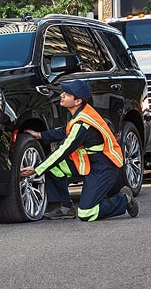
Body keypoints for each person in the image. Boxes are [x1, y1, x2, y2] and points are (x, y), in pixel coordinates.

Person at [20, 79, 139, 221]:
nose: (62, 95)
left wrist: (37, 169)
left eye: (67, 94)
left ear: (77, 101)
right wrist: (40, 135)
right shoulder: (80, 113)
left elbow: (62, 151)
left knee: (86, 213)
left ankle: (123, 199)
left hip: (104, 167)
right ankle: (66, 208)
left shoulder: (82, 125)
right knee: (53, 168)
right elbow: (66, 130)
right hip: (90, 162)